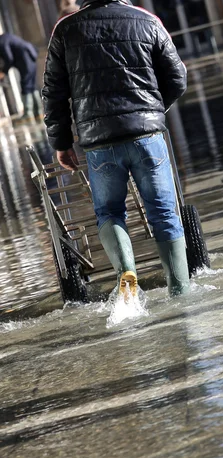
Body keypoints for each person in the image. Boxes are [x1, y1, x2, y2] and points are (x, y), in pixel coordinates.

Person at [43, 0, 190, 298]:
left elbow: (53, 93)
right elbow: (177, 77)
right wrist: (151, 111)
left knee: (109, 212)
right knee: (163, 212)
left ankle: (128, 280)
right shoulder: (147, 20)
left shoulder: (65, 30)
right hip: (147, 137)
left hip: (100, 144)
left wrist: (62, 143)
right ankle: (180, 289)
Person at [0, 33, 43, 124]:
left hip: (25, 58)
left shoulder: (1, 42)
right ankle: (38, 112)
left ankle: (28, 114)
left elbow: (9, 58)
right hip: (31, 54)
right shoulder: (6, 37)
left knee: (26, 84)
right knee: (32, 84)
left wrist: (3, 72)